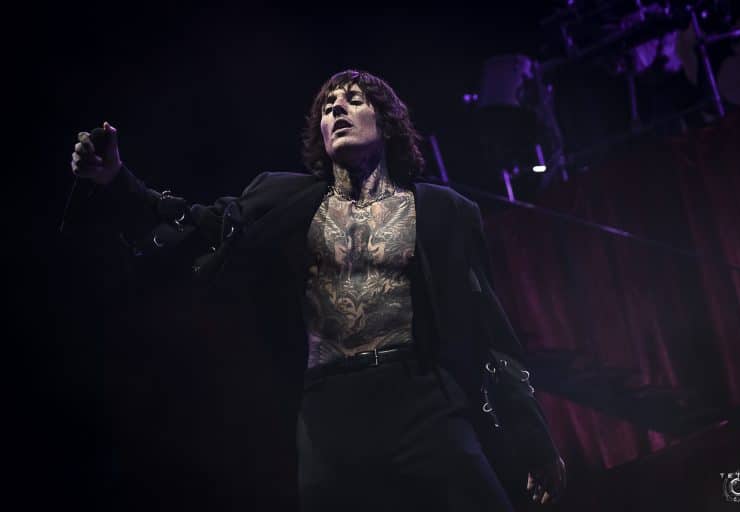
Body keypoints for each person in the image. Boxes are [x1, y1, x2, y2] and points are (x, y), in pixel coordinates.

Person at [69, 69, 566, 511]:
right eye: (329, 107)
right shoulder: (284, 199)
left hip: (423, 403)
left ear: (387, 122)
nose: (337, 109)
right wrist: (117, 180)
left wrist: (533, 438)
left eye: (353, 100)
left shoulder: (444, 211)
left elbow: (490, 331)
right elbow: (198, 224)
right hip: (330, 414)